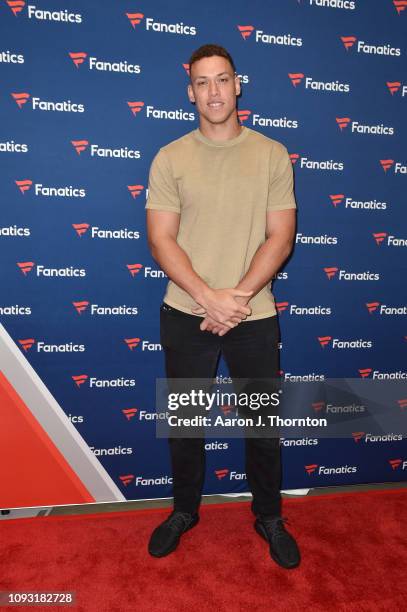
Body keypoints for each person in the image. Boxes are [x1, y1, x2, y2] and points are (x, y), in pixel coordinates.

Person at [145, 44, 300, 569]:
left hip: (252, 316)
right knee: (186, 425)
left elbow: (280, 238)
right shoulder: (170, 157)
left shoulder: (272, 154)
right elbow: (162, 240)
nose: (214, 91)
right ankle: (184, 511)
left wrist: (234, 300)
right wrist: (209, 298)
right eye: (203, 82)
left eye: (223, 79)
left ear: (239, 86)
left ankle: (269, 515)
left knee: (263, 427)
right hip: (187, 312)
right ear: (190, 93)